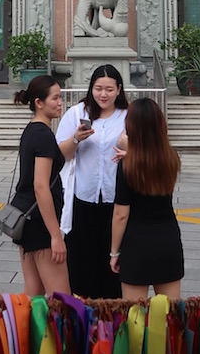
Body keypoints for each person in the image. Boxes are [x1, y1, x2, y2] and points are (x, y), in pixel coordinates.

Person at [12, 74, 93, 295]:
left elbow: (57, 158)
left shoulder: (33, 131)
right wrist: (56, 236)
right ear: (39, 103)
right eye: (55, 98)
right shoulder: (44, 137)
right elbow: (41, 186)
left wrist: (75, 139)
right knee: (62, 299)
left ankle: (27, 330)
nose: (60, 103)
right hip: (40, 223)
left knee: (33, 294)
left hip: (25, 218)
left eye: (60, 98)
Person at [56, 64, 129, 297]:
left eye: (109, 89)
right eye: (98, 88)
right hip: (83, 201)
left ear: (119, 89)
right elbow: (59, 155)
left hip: (117, 202)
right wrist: (76, 139)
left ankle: (112, 318)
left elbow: (145, 152)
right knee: (81, 266)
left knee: (114, 267)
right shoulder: (78, 114)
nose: (103, 94)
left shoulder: (128, 116)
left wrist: (131, 152)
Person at [110, 98, 184, 301]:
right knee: (170, 315)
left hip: (137, 243)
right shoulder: (171, 158)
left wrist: (114, 252)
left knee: (133, 316)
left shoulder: (126, 165)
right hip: (168, 239)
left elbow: (120, 215)